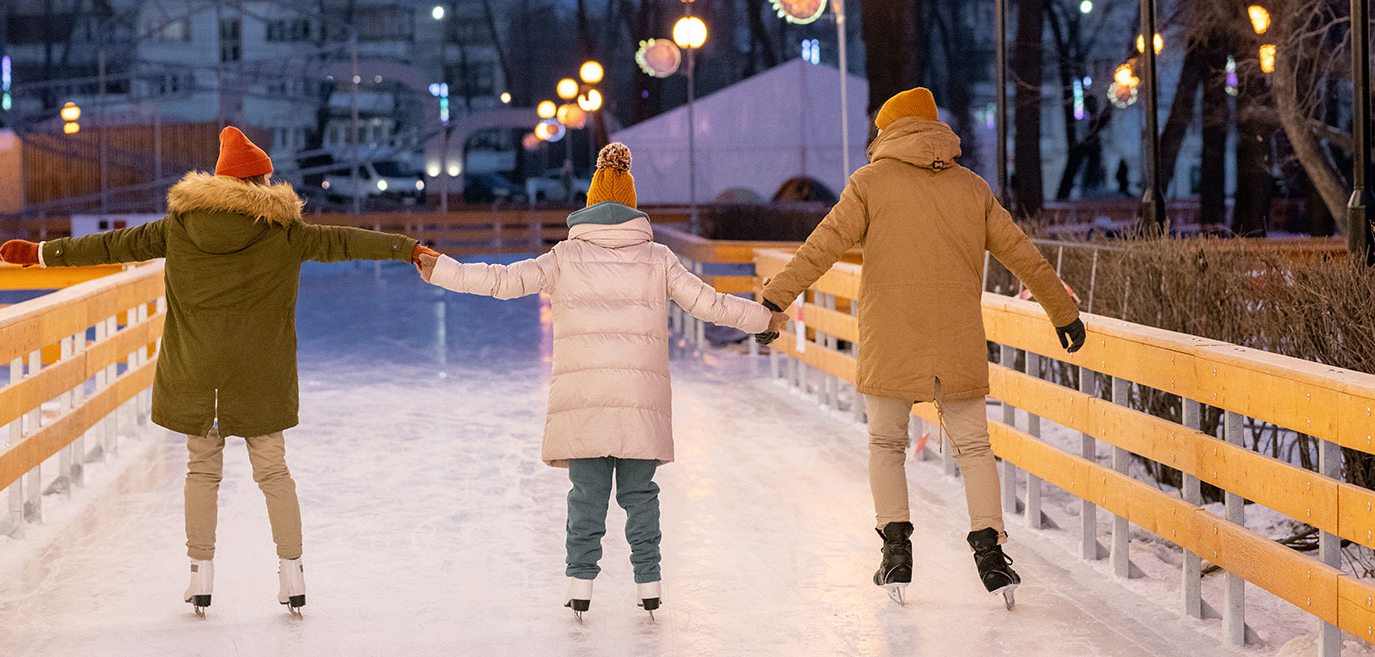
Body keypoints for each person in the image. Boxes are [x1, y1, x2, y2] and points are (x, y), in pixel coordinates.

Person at [0, 126, 439, 617]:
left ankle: (199, 577)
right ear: (262, 182)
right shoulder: (287, 233)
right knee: (274, 472)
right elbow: (347, 241)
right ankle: (292, 574)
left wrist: (40, 253)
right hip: (261, 375)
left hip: (196, 374)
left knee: (201, 472)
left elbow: (109, 246)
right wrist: (409, 249)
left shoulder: (177, 228)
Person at [417, 143, 788, 619]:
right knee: (640, 495)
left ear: (589, 207)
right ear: (632, 208)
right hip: (639, 400)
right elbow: (711, 304)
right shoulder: (658, 258)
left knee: (587, 495)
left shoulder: (564, 257)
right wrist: (765, 320)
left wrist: (442, 268)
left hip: (585, 398)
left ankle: (579, 584)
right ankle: (649, 582)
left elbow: (501, 280)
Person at [752, 88, 1084, 607]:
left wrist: (774, 300)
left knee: (886, 445)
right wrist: (1062, 313)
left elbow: (822, 246)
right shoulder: (972, 189)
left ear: (889, 132)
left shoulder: (869, 184)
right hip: (958, 339)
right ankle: (990, 551)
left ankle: (896, 552)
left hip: (891, 338)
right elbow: (1023, 253)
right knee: (974, 447)